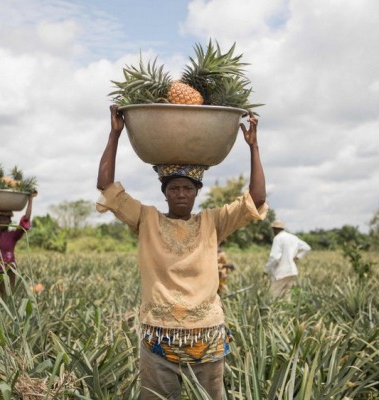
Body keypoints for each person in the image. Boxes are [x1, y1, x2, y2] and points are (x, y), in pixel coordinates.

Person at [96, 104, 267, 399]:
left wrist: (253, 147)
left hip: (207, 334)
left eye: (188, 188)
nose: (181, 194)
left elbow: (256, 198)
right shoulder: (146, 218)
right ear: (165, 192)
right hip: (158, 336)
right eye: (174, 188)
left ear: (197, 192)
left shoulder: (213, 221)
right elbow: (106, 186)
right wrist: (115, 134)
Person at [264, 220, 311, 299]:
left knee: (272, 296)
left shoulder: (278, 238)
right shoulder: (293, 237)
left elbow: (274, 257)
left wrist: (265, 270)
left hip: (281, 272)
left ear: (274, 229)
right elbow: (307, 248)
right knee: (287, 296)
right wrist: (298, 257)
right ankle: (288, 310)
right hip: (291, 271)